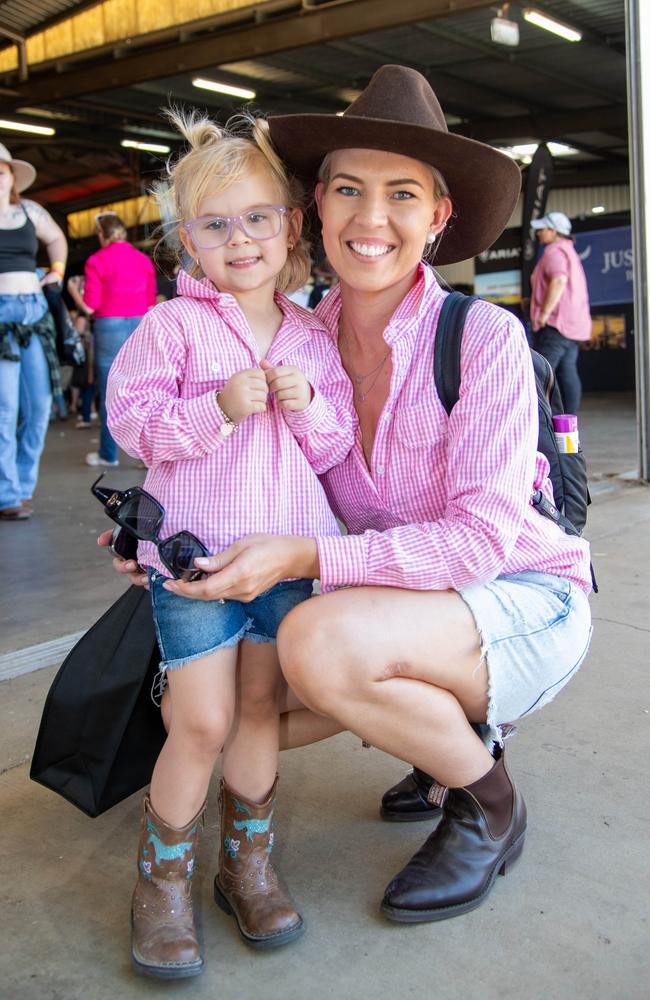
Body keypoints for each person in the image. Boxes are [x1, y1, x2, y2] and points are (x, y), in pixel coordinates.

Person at [106, 65, 592, 926]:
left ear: (438, 218)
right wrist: (148, 526)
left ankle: (487, 802)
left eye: (403, 194)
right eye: (348, 190)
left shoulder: (484, 339)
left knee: (314, 645)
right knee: (225, 709)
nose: (372, 219)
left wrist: (301, 556)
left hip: (517, 592)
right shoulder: (303, 335)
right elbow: (217, 449)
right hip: (398, 595)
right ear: (319, 210)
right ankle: (428, 742)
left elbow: (477, 544)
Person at [104, 109, 355, 978]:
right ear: (189, 241)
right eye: (215, 225)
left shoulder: (313, 333)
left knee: (257, 711)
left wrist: (310, 405)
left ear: (291, 228)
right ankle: (162, 879)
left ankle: (246, 862)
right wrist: (215, 410)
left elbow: (335, 450)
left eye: (256, 219)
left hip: (287, 558)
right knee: (201, 720)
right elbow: (131, 423)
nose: (238, 239)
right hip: (199, 562)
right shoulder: (171, 327)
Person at [0, 143, 67, 521]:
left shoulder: (29, 210)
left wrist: (56, 271)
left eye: (1, 171)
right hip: (1, 318)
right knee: (5, 408)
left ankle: (23, 486)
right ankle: (7, 494)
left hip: (34, 311)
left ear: (12, 176)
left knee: (40, 405)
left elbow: (56, 239)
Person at [67, 212, 157, 468]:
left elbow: (91, 305)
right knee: (145, 389)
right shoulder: (142, 260)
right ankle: (147, 456)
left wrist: (74, 291)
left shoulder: (96, 260)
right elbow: (151, 300)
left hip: (109, 325)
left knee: (111, 392)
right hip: (140, 323)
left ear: (101, 235)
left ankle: (109, 454)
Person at [530, 211, 591, 414]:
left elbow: (559, 280)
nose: (538, 233)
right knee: (567, 373)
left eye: (542, 229)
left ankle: (544, 423)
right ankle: (568, 424)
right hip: (572, 327)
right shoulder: (569, 251)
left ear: (553, 231)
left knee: (540, 374)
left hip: (556, 325)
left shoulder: (554, 252)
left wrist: (544, 313)